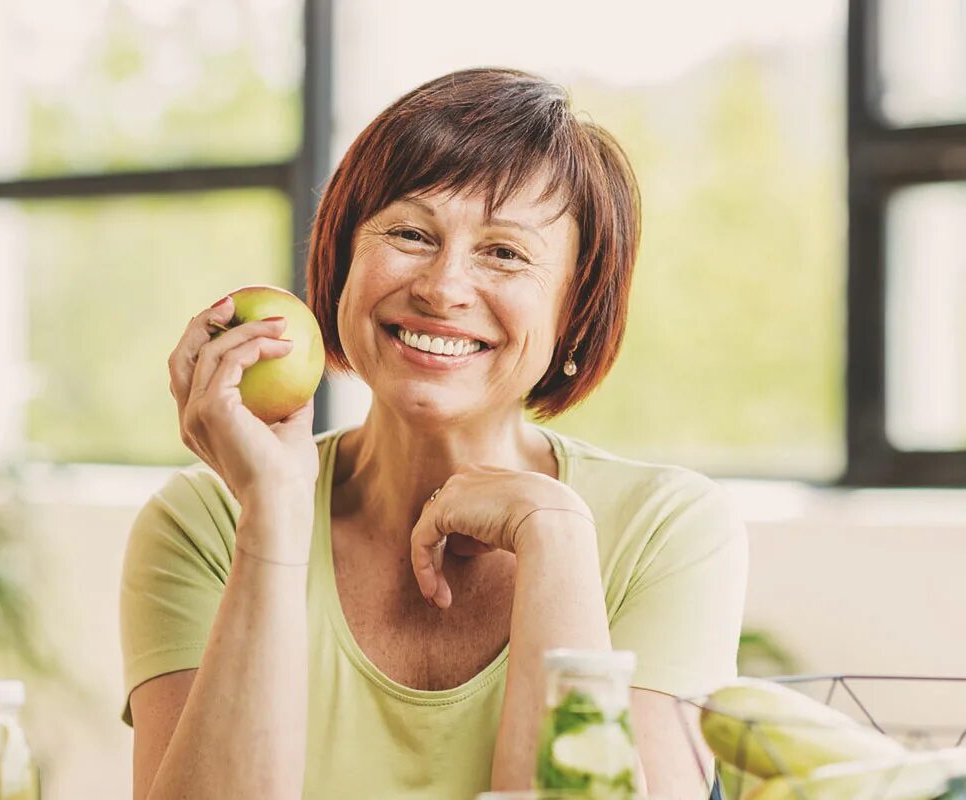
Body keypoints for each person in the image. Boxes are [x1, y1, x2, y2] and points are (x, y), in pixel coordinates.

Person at [121, 67, 747, 799]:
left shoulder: (666, 531)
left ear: (574, 311)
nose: (443, 287)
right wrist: (275, 515)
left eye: (504, 252)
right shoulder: (205, 524)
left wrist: (555, 537)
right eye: (412, 233)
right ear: (343, 260)